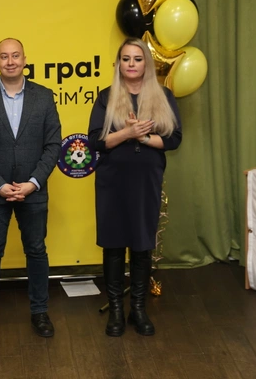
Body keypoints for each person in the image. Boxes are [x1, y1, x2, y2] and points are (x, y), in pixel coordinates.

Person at [0, 38, 61, 342]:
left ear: (24, 60)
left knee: (36, 250)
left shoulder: (44, 97)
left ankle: (40, 311)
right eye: (4, 56)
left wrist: (33, 183)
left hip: (33, 191)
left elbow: (53, 145)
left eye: (15, 55)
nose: (10, 61)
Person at [88, 38, 182, 337]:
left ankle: (138, 310)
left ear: (146, 64)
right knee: (114, 244)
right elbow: (95, 141)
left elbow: (174, 139)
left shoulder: (164, 95)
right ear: (119, 64)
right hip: (113, 181)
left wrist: (143, 138)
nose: (131, 64)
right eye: (126, 59)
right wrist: (127, 133)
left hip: (146, 180)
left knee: (142, 245)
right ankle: (116, 310)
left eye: (137, 59)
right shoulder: (106, 97)